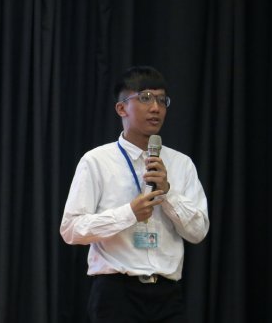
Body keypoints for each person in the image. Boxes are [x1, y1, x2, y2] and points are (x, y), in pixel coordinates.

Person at [60, 65, 210, 323]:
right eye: (145, 98)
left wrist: (168, 193)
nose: (156, 108)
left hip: (167, 294)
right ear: (122, 108)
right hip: (116, 294)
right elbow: (71, 229)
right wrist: (129, 214)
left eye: (162, 100)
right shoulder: (96, 161)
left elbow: (198, 232)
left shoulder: (181, 164)